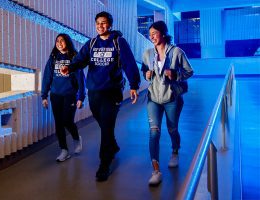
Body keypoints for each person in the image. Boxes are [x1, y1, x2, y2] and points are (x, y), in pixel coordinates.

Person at [60, 11, 141, 181]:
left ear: (110, 25)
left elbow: (129, 64)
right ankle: (113, 146)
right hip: (95, 92)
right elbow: (80, 60)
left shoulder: (119, 42)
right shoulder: (91, 44)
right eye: (98, 23)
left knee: (106, 126)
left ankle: (104, 163)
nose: (100, 26)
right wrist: (70, 67)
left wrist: (134, 85)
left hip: (112, 92)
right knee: (104, 124)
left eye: (103, 23)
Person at [141, 21, 194, 186]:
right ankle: (156, 171)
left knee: (172, 129)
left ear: (163, 34)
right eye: (150, 34)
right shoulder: (148, 54)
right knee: (154, 132)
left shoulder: (177, 52)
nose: (152, 37)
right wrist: (147, 75)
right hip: (153, 98)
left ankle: (175, 151)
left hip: (172, 98)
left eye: (155, 33)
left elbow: (189, 72)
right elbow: (145, 72)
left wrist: (175, 74)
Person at [41, 33, 86, 162]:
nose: (59, 43)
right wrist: (44, 95)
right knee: (59, 123)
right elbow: (47, 77)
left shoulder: (74, 57)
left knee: (67, 120)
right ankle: (64, 150)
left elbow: (81, 79)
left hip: (70, 95)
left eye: (62, 41)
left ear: (67, 42)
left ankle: (77, 138)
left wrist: (81, 97)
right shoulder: (54, 57)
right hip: (55, 95)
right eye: (57, 41)